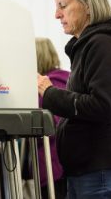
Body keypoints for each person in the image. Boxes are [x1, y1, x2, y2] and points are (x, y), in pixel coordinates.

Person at [37, 0, 111, 198]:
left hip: (98, 174)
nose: (57, 14)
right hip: (86, 172)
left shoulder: (101, 44)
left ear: (87, 6)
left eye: (63, 6)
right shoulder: (87, 46)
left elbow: (102, 106)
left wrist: (49, 93)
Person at [35, 37, 69, 199]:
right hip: (68, 165)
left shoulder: (44, 87)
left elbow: (48, 125)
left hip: (51, 167)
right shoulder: (68, 79)